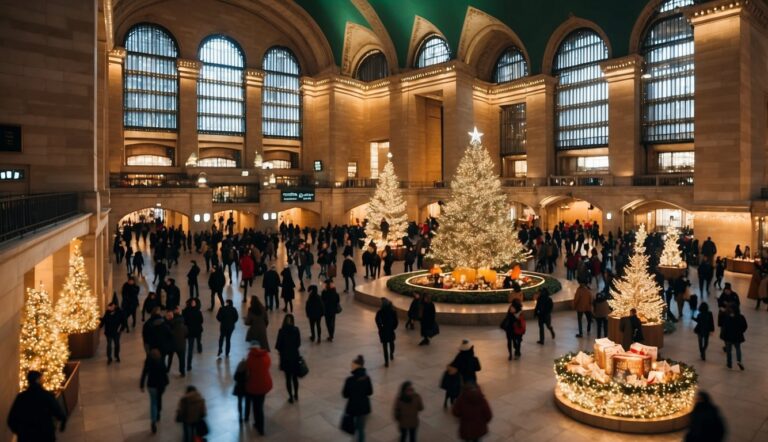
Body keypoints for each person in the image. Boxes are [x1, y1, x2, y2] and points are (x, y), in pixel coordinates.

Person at [7, 370, 67, 442]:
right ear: (37, 380)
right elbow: (58, 412)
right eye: (42, 378)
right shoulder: (46, 396)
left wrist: (20, 432)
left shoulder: (21, 397)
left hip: (26, 437)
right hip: (45, 435)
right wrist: (62, 424)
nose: (43, 380)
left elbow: (11, 419)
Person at [342, 355, 373, 442]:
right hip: (363, 407)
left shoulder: (349, 380)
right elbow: (370, 392)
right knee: (361, 430)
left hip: (352, 407)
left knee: (353, 428)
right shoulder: (367, 378)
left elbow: (345, 395)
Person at [245, 341, 273, 435]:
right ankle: (260, 426)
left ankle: (258, 426)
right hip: (264, 385)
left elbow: (247, 371)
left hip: (254, 386)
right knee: (260, 405)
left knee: (256, 407)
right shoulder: (266, 356)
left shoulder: (250, 358)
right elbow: (268, 366)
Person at [140, 348, 169, 434]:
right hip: (160, 386)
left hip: (151, 386)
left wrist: (141, 385)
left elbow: (144, 373)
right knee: (159, 399)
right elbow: (165, 373)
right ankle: (158, 413)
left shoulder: (148, 362)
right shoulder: (161, 362)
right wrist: (166, 382)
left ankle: (153, 420)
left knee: (153, 403)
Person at [275, 314, 302, 403]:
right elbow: (298, 343)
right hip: (294, 357)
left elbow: (278, 345)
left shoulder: (281, 331)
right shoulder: (296, 330)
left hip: (285, 358)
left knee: (288, 379)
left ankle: (290, 397)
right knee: (295, 378)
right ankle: (296, 394)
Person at [720, 305, 747, 370]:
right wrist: (741, 331)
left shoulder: (728, 317)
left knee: (729, 350)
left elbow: (724, 327)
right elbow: (745, 326)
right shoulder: (741, 317)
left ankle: (729, 363)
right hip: (737, 336)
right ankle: (739, 361)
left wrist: (723, 335)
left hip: (729, 336)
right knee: (738, 348)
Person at [375, 298, 399, 367]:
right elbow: (396, 321)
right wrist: (393, 328)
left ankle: (386, 362)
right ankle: (391, 353)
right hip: (390, 330)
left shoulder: (380, 311)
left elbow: (377, 320)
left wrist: (380, 327)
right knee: (392, 343)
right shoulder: (393, 311)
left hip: (383, 330)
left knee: (385, 346)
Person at [182, 298, 203, 371]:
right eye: (193, 302)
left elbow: (184, 322)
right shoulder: (198, 311)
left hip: (190, 332)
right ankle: (199, 348)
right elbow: (201, 321)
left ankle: (188, 365)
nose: (194, 303)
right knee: (196, 343)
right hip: (196, 331)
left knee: (190, 349)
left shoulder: (185, 311)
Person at [166, 309, 188, 376]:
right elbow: (186, 334)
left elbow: (168, 335)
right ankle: (182, 372)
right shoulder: (183, 325)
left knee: (170, 357)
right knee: (182, 359)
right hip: (182, 345)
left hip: (172, 345)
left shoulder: (169, 325)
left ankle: (168, 369)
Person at [233, 357, 248, 422]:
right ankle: (246, 417)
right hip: (246, 388)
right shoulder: (247, 372)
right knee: (247, 402)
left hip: (239, 388)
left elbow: (235, 378)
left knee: (239, 402)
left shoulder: (238, 371)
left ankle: (240, 416)